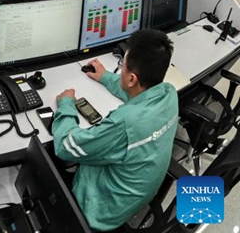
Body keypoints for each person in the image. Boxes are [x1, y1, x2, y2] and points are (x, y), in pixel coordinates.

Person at [52, 29, 178, 232]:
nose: (122, 69)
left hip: (99, 213)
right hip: (135, 198)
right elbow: (137, 95)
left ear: (131, 78)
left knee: (46, 161)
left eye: (123, 66)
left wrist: (66, 104)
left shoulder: (125, 124)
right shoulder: (168, 93)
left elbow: (66, 147)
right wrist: (106, 77)